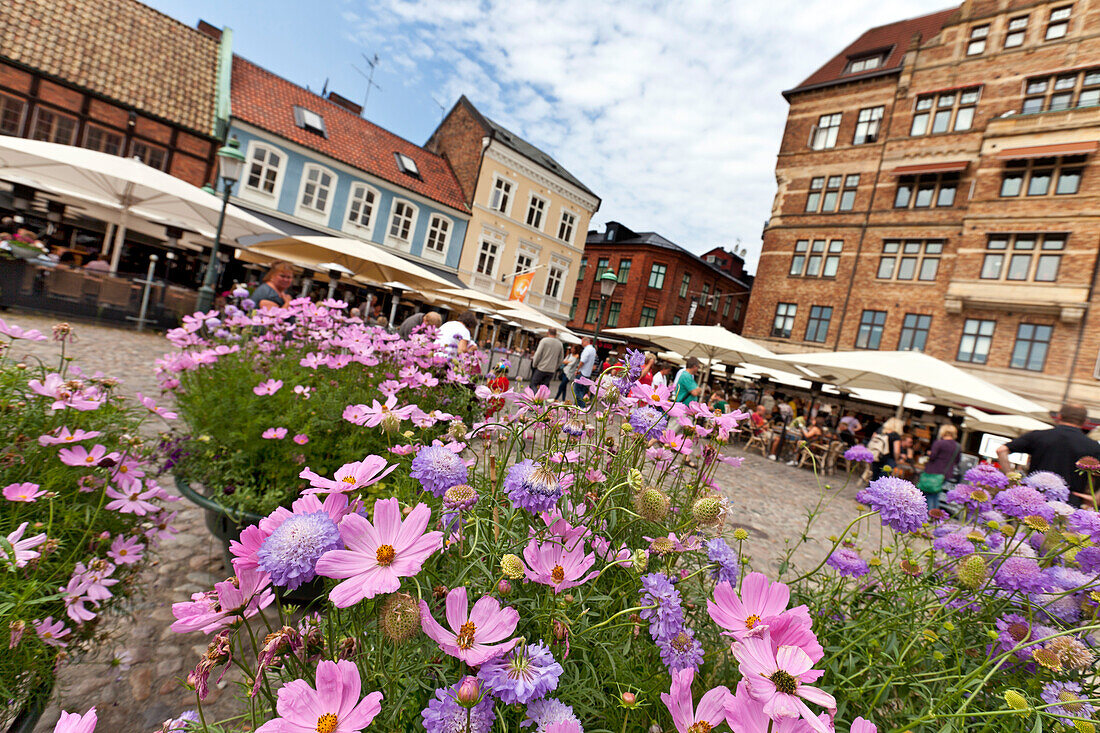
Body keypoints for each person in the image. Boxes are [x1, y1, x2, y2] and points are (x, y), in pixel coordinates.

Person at [998, 402, 1100, 506]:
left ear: (1059, 416)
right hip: (1069, 502)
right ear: (1086, 422)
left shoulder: (1038, 436)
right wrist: (1096, 498)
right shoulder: (1093, 446)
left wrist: (1011, 479)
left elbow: (1002, 450)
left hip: (1033, 498)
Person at [919, 424, 961, 509]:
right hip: (946, 473)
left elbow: (932, 457)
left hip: (933, 472)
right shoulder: (957, 446)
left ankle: (928, 515)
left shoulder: (939, 443)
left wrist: (929, 454)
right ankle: (934, 516)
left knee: (928, 495)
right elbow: (957, 461)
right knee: (936, 494)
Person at [574, 337, 597, 405]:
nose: (581, 344)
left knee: (577, 390)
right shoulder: (593, 350)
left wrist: (577, 369)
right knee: (582, 390)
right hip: (588, 373)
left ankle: (582, 405)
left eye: (582, 342)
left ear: (586, 342)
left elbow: (582, 361)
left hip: (582, 372)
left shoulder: (587, 349)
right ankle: (577, 404)